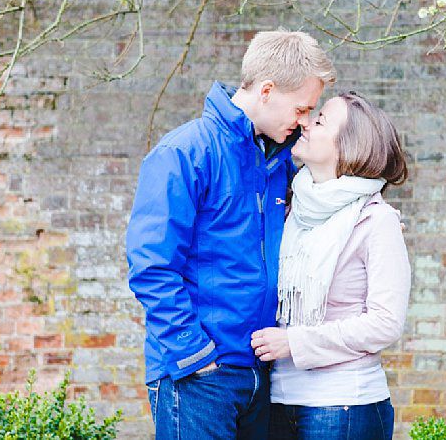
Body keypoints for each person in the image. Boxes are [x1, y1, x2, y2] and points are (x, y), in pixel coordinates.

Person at [125, 30, 336, 440]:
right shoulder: (183, 154)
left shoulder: (280, 161)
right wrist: (194, 355)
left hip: (261, 373)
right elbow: (151, 267)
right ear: (268, 90)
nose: (306, 120)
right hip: (200, 376)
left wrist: (371, 216)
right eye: (302, 108)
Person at [250, 92, 412, 440]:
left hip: (345, 406)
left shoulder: (376, 221)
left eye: (320, 120)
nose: (306, 123)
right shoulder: (290, 209)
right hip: (278, 401)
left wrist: (296, 342)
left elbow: (386, 323)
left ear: (349, 146)